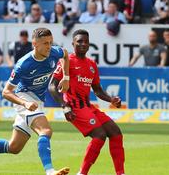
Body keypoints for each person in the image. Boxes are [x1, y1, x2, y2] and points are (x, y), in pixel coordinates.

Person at [0, 28, 71, 175]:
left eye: (50, 42)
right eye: (45, 43)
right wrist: (24, 104)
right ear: (35, 44)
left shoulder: (54, 52)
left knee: (14, 147)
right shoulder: (23, 64)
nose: (49, 46)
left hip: (36, 101)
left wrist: (66, 77)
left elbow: (65, 54)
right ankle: (50, 171)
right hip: (23, 98)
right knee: (45, 130)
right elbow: (6, 92)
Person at [49, 29, 125, 175]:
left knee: (116, 133)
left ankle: (120, 173)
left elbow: (97, 90)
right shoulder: (66, 61)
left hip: (88, 106)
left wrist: (111, 99)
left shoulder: (91, 64)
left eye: (86, 41)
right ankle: (82, 173)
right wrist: (64, 106)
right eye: (79, 41)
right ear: (73, 43)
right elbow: (52, 86)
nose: (83, 44)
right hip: (74, 107)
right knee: (100, 135)